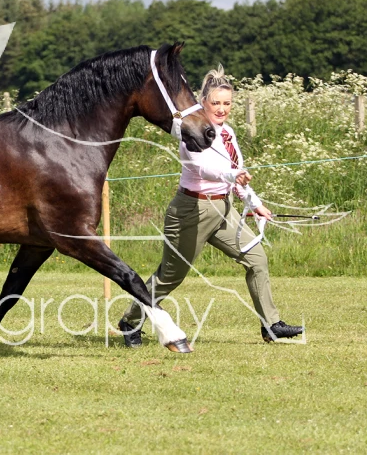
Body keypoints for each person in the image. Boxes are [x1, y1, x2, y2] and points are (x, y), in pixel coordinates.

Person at [118, 65, 303, 347]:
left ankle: (271, 325)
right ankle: (131, 321)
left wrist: (255, 203)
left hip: (223, 209)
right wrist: (231, 175)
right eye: (216, 103)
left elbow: (237, 173)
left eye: (227, 103)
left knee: (257, 260)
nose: (221, 109)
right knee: (170, 277)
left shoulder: (228, 133)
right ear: (203, 102)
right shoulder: (192, 132)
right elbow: (202, 168)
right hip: (191, 211)